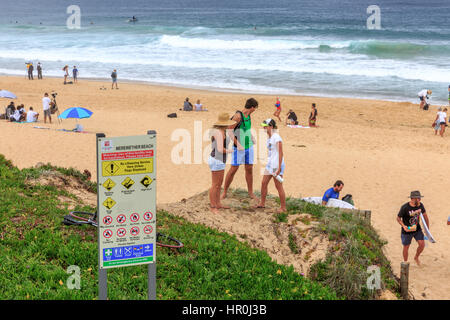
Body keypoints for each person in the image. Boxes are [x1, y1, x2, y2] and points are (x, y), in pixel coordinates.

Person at [221, 98, 259, 200]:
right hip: (238, 148)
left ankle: (250, 192)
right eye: (255, 108)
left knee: (249, 169)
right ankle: (224, 192)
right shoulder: (238, 116)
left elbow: (247, 128)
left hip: (249, 146)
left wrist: (251, 137)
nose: (255, 110)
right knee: (234, 169)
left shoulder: (249, 116)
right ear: (252, 107)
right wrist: (238, 144)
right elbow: (229, 130)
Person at [254, 118, 286, 212]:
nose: (264, 128)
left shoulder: (276, 137)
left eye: (265, 127)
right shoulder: (270, 137)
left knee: (278, 186)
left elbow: (281, 153)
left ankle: (283, 208)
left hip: (276, 165)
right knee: (264, 183)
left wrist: (279, 167)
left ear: (271, 126)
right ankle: (262, 203)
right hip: (270, 165)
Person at [208, 113, 236, 213]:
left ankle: (218, 203)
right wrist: (231, 151)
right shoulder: (219, 133)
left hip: (220, 160)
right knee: (215, 184)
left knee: (219, 184)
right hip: (216, 160)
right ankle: (212, 206)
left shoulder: (222, 131)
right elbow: (220, 149)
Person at [397, 191, 429, 266]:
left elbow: (425, 217)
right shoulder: (405, 207)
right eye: (418, 198)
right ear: (413, 198)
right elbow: (398, 218)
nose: (420, 200)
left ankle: (416, 257)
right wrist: (403, 226)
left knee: (422, 244)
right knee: (406, 246)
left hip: (417, 229)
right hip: (407, 230)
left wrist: (427, 229)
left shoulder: (420, 206)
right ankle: (405, 262)